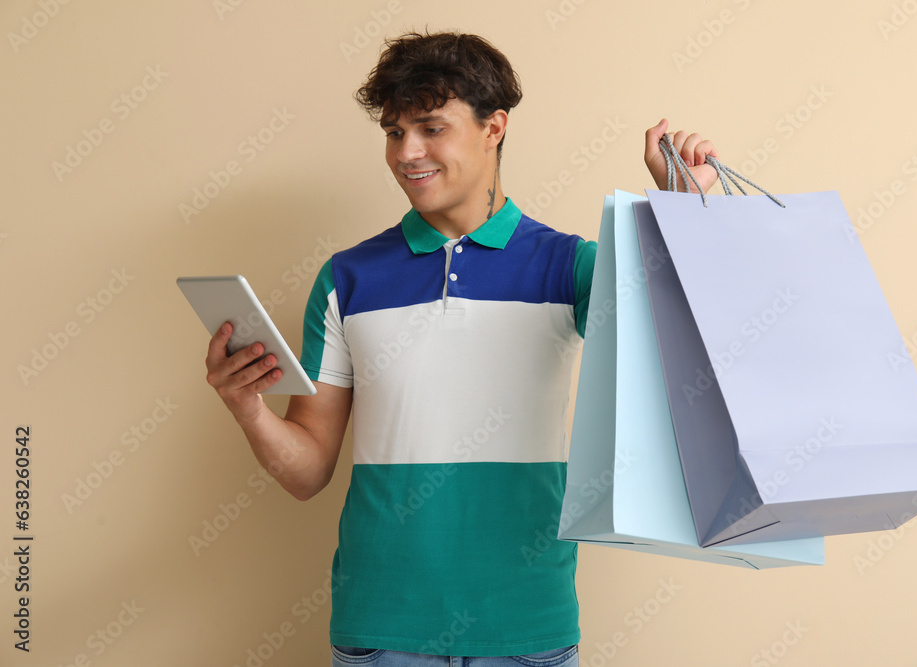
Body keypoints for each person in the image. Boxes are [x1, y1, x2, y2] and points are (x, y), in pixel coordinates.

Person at [204, 31, 718, 667]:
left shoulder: (571, 266)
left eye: (429, 127)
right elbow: (308, 472)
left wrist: (686, 213)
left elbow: (683, 351)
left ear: (493, 127)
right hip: (381, 628)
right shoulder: (347, 278)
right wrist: (248, 407)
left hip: (527, 626)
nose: (406, 153)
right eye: (394, 132)